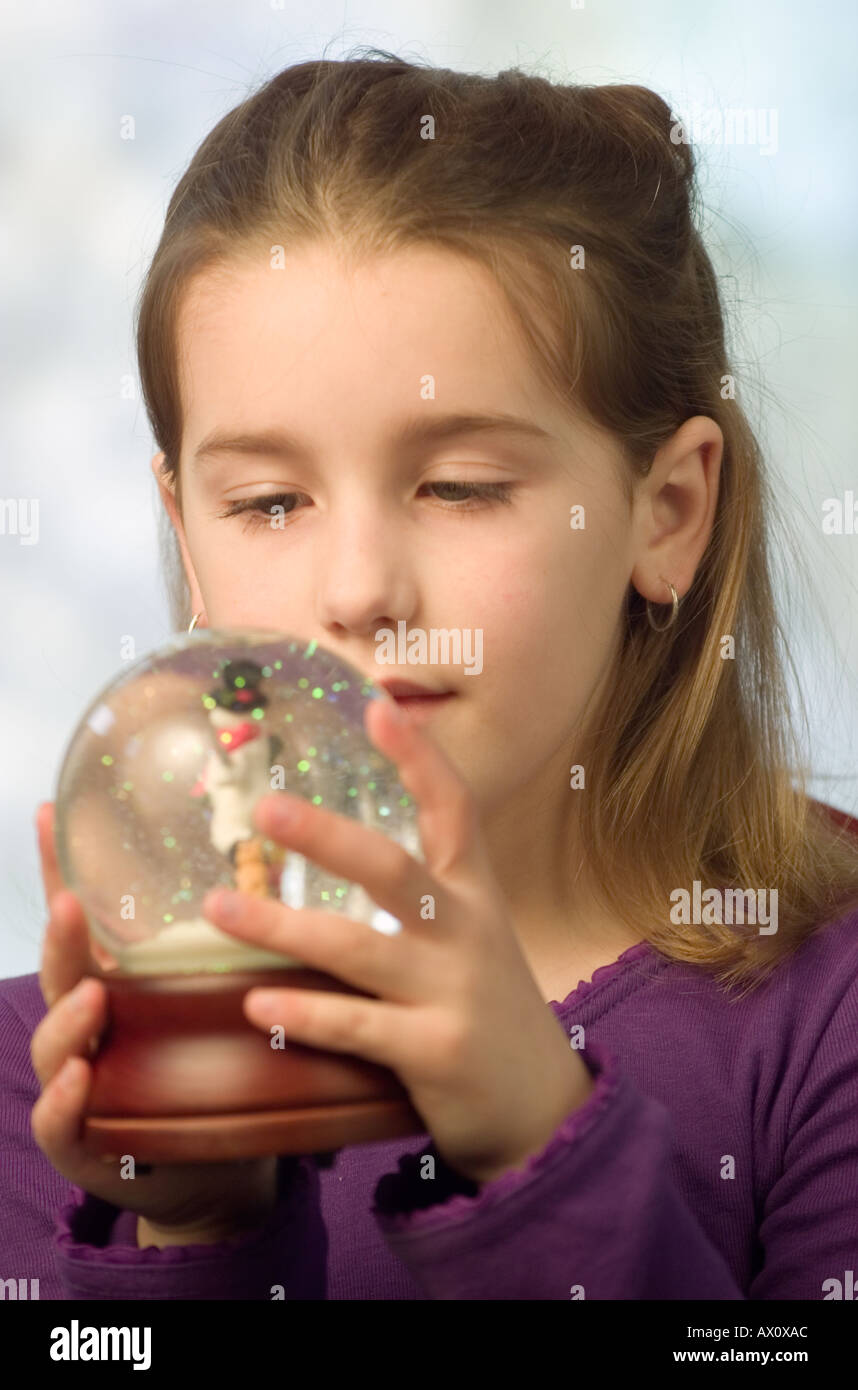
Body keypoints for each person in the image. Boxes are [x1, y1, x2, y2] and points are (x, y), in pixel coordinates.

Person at [3, 50, 858, 1301]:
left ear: (667, 510)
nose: (360, 591)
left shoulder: (827, 1012)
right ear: (188, 537)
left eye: (460, 486)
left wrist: (538, 1146)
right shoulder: (45, 1077)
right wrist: (189, 1239)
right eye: (270, 500)